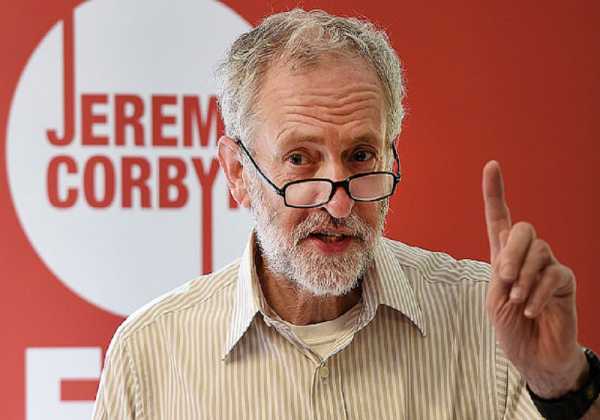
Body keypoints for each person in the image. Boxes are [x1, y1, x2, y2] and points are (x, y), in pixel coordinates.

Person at [93, 9, 600, 420]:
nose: (338, 203)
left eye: (360, 156)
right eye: (299, 159)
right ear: (237, 172)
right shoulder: (151, 354)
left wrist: (560, 383)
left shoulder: (490, 319)